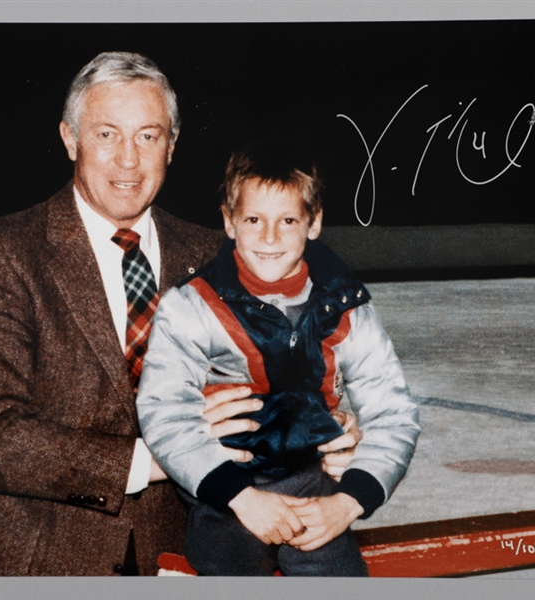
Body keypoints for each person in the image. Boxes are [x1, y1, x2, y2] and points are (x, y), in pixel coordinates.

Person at [0, 52, 359, 577]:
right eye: (107, 134)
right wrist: (158, 459)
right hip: (36, 558)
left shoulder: (220, 257)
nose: (128, 161)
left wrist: (328, 425)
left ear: (172, 146)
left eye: (148, 136)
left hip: (185, 554)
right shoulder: (3, 251)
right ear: (70, 139)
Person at [136, 141, 420, 576]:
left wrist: (347, 503)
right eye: (254, 219)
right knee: (231, 560)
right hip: (226, 489)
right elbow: (165, 411)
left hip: (313, 486)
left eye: (288, 220)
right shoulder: (192, 306)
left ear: (314, 223)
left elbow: (392, 411)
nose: (270, 238)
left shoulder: (344, 305)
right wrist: (239, 497)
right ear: (229, 222)